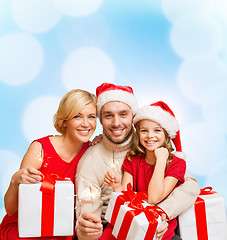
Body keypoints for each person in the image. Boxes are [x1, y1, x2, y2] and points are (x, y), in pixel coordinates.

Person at [75, 82, 199, 240]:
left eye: (123, 114)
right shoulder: (92, 160)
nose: (116, 123)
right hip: (115, 225)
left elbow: (190, 186)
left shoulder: (150, 144)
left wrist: (160, 215)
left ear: (133, 116)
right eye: (108, 115)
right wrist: (88, 229)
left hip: (159, 223)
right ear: (100, 119)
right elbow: (90, 214)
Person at [0, 89, 97, 240]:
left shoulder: (92, 152)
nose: (86, 124)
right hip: (25, 228)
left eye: (91, 117)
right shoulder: (40, 149)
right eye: (77, 116)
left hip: (61, 230)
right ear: (64, 121)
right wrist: (14, 181)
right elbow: (11, 210)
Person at [104, 101, 186, 240]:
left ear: (166, 134)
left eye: (157, 130)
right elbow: (125, 198)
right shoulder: (132, 159)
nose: (150, 136)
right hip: (134, 221)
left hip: (160, 227)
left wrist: (160, 160)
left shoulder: (177, 164)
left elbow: (154, 197)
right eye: (144, 130)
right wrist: (116, 186)